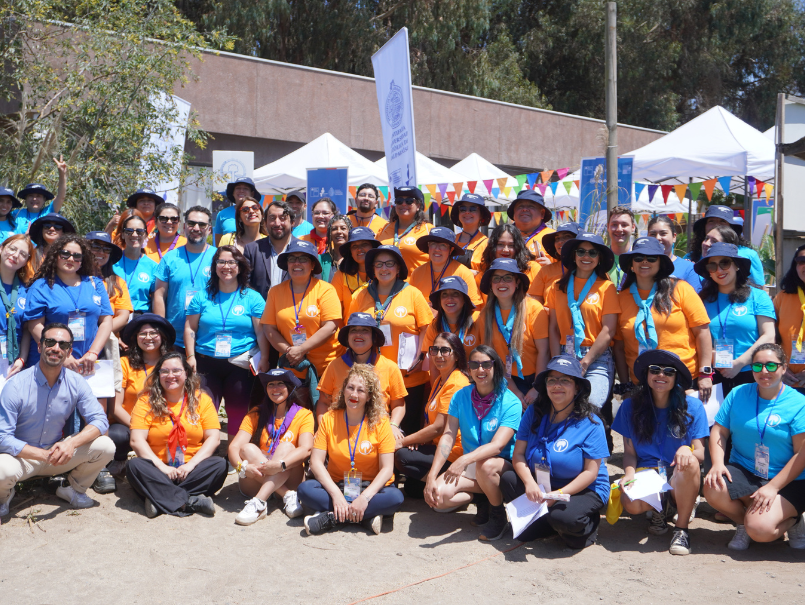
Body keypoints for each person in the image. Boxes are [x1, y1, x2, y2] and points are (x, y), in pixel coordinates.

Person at [0, 323, 115, 516]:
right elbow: (3, 438)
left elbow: (100, 420)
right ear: (40, 346)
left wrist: (71, 444)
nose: (56, 348)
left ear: (69, 351)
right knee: (1, 470)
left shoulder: (76, 381)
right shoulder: (16, 385)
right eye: (50, 342)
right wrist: (44, 455)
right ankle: (5, 496)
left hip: (59, 453)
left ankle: (73, 490)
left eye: (63, 345)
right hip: (22, 457)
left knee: (106, 446)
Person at [500, 354, 610, 549]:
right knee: (508, 479)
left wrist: (557, 495)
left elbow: (590, 473)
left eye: (565, 380)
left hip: (582, 488)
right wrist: (530, 484)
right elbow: (518, 455)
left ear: (577, 387)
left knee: (566, 521)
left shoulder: (591, 422)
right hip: (543, 486)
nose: (557, 385)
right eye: (552, 380)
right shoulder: (534, 412)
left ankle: (587, 522)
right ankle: (550, 521)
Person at [703, 343, 805, 551]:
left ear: (784, 368)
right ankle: (744, 523)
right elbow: (719, 431)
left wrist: (773, 487)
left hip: (789, 480)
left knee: (760, 530)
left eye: (771, 366)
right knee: (713, 486)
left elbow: (801, 454)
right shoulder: (739, 393)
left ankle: (793, 522)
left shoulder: (798, 403)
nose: (764, 371)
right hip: (747, 470)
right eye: (757, 366)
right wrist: (717, 464)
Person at [612, 350, 709, 555]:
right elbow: (629, 452)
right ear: (647, 375)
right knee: (630, 503)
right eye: (655, 370)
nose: (661, 375)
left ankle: (681, 529)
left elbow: (700, 452)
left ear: (676, 378)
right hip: (648, 472)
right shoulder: (631, 405)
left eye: (669, 372)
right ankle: (662, 508)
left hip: (678, 472)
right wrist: (629, 475)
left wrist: (687, 449)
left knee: (690, 461)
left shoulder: (693, 406)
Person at [424, 345, 522, 541]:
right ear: (468, 369)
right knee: (439, 499)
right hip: (472, 464)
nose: (480, 370)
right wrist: (432, 476)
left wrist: (462, 460)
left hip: (501, 466)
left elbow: (497, 446)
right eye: (475, 365)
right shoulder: (461, 396)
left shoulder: (511, 401)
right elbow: (449, 434)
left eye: (486, 364)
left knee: (486, 465)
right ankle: (483, 497)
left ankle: (498, 515)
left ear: (496, 368)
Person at [299, 364, 404, 535]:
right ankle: (364, 518)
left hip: (372, 488)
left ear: (369, 396)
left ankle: (333, 517)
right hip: (338, 485)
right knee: (305, 490)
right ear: (344, 390)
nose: (354, 394)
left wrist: (364, 498)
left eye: (361, 390)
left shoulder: (381, 422)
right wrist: (336, 495)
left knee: (396, 498)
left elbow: (387, 469)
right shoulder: (329, 418)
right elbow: (316, 462)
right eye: (350, 388)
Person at [127, 352, 226, 518]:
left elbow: (214, 438)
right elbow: (136, 440)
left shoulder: (201, 399)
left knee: (219, 465)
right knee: (135, 466)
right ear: (158, 375)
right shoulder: (146, 400)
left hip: (192, 469)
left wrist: (190, 465)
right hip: (157, 468)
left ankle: (158, 498)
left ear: (186, 373)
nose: (170, 375)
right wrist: (162, 467)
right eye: (164, 371)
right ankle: (190, 501)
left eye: (176, 371)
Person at [613, 237, 713, 401]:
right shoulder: (621, 298)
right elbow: (619, 346)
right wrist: (625, 385)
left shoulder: (681, 289)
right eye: (638, 258)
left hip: (683, 381)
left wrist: (705, 373)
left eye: (651, 258)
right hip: (642, 384)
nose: (644, 262)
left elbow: (702, 332)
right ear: (631, 264)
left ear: (661, 263)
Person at [348, 245, 432, 437]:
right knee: (370, 431)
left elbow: (427, 327)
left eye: (389, 264)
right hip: (370, 376)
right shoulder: (360, 295)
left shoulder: (412, 293)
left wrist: (421, 357)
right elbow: (351, 330)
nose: (384, 268)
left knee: (404, 433)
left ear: (398, 268)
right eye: (379, 264)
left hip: (408, 377)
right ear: (372, 268)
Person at [185, 245, 270, 434]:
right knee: (205, 412)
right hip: (206, 362)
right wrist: (190, 356)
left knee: (237, 413)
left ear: (240, 267)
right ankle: (207, 458)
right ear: (215, 266)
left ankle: (233, 460)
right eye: (221, 262)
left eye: (232, 262)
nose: (226, 266)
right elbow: (190, 327)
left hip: (240, 364)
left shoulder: (252, 298)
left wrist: (264, 357)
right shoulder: (201, 297)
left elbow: (261, 332)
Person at [228, 369, 314, 525]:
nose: (275, 389)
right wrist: (241, 468)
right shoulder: (256, 413)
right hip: (256, 477)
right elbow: (234, 447)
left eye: (280, 384)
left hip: (290, 476)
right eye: (271, 384)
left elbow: (306, 449)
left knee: (287, 447)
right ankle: (286, 494)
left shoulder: (304, 415)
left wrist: (280, 465)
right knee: (247, 448)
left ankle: (259, 503)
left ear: (291, 387)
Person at [545, 232, 619, 408]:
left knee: (591, 405)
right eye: (581, 252)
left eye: (592, 252)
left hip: (596, 358)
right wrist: (557, 361)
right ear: (574, 255)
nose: (586, 256)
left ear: (599, 258)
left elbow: (609, 330)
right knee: (563, 406)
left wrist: (585, 362)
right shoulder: (557, 287)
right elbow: (554, 328)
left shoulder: (606, 287)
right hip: (564, 353)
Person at [24, 234, 113, 379]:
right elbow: (34, 326)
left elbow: (106, 321)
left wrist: (93, 353)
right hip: (50, 364)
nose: (71, 259)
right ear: (55, 255)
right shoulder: (41, 286)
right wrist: (60, 355)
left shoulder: (95, 283)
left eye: (77, 256)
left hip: (87, 364)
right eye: (65, 254)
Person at [261, 239, 340, 401]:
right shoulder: (275, 292)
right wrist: (291, 352)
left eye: (303, 259)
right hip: (292, 367)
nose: (297, 263)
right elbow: (269, 328)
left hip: (326, 367)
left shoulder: (326, 290)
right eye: (292, 259)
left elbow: (331, 326)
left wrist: (301, 349)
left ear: (312, 265)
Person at [695, 242, 776, 396]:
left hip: (752, 373)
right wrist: (713, 357)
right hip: (714, 375)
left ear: (737, 265)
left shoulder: (758, 297)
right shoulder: (701, 300)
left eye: (724, 263)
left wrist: (739, 363)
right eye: (712, 266)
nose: (719, 270)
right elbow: (696, 337)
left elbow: (769, 336)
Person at [396, 332, 469, 498]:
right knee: (412, 488)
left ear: (456, 355)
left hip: (454, 452)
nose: (438, 355)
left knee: (401, 455)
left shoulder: (456, 383)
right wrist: (419, 440)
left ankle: (456, 488)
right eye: (434, 350)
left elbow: (439, 427)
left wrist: (403, 442)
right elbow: (430, 419)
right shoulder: (440, 379)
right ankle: (440, 486)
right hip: (437, 446)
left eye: (445, 350)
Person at [111, 314, 175, 479]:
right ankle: (119, 460)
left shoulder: (173, 365)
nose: (148, 338)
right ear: (135, 338)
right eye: (142, 334)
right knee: (116, 435)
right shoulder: (124, 363)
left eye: (153, 333)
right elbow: (116, 408)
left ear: (162, 336)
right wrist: (139, 428)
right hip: (129, 423)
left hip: (164, 422)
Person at [476, 258, 549, 401]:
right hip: (507, 379)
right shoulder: (486, 314)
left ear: (517, 282)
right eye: (496, 279)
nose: (501, 283)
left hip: (538, 377)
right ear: (491, 284)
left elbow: (544, 351)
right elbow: (493, 356)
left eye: (507, 278)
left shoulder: (533, 308)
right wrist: (513, 389)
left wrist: (537, 388)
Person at [317, 312, 407, 428]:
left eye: (365, 330)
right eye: (353, 330)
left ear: (374, 337)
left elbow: (398, 405)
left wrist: (393, 425)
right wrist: (323, 429)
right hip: (339, 432)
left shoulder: (390, 367)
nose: (358, 334)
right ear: (347, 337)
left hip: (378, 432)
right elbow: (324, 402)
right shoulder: (334, 366)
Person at [153, 206, 216, 352]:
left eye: (202, 225)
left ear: (209, 229)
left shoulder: (219, 257)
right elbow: (159, 295)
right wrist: (161, 329)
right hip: (175, 339)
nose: (196, 228)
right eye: (191, 223)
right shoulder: (170, 258)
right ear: (184, 227)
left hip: (208, 339)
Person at [689, 205, 765, 286]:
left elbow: (759, 287)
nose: (716, 225)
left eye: (723, 221)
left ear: (731, 228)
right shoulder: (691, 257)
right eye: (711, 221)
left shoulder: (749, 255)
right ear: (704, 226)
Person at [409, 226, 482, 307]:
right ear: (428, 247)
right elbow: (410, 304)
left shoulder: (464, 274)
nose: (437, 249)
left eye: (443, 245)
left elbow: (475, 308)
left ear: (451, 250)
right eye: (433, 244)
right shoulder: (417, 273)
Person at [242, 200, 300, 300]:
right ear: (265, 222)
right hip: (261, 312)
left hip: (295, 311)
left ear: (292, 222)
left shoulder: (304, 249)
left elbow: (314, 285)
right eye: (272, 218)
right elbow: (245, 284)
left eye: (282, 218)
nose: (277, 223)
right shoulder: (252, 249)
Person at [421, 276, 481, 361]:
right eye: (444, 294)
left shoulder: (478, 319)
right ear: (440, 300)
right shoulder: (434, 326)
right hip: (447, 374)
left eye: (455, 293)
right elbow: (433, 364)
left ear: (464, 299)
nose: (449, 298)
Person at [474, 224, 540, 298]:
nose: (505, 250)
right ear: (492, 247)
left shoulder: (533, 268)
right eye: (500, 244)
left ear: (518, 247)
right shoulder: (482, 275)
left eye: (511, 245)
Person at [376, 186, 433, 272]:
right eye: (399, 201)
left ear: (418, 206)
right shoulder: (384, 228)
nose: (403, 204)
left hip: (416, 284)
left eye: (409, 201)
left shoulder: (429, 230)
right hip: (387, 284)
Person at [0, 234, 34, 379]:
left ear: (26, 261)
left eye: (23, 254)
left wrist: (22, 359)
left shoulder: (27, 290)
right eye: (12, 249)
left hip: (13, 362)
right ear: (1, 248)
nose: (15, 255)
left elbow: (26, 329)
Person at [330, 227, 379, 320]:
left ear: (373, 247)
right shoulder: (341, 275)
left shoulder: (384, 273)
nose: (359, 249)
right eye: (354, 246)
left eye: (364, 244)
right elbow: (335, 313)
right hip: (350, 331)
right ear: (350, 252)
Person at [113, 213, 158, 312]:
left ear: (146, 235)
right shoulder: (112, 263)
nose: (134, 235)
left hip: (141, 320)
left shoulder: (153, 267)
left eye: (139, 231)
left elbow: (156, 301)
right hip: (115, 318)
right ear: (123, 235)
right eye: (129, 231)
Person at [774, 243, 805, 390]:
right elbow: (769, 337)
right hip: (786, 383)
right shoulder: (782, 298)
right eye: (801, 261)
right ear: (795, 266)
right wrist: (779, 367)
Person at [498, 189, 555, 266]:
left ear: (542, 213)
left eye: (531, 206)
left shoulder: (554, 237)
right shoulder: (501, 235)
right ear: (514, 212)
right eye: (520, 206)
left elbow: (565, 270)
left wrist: (551, 267)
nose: (524, 209)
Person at [528, 222, 580, 304]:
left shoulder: (591, 270)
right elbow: (534, 301)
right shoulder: (545, 271)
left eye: (567, 237)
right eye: (557, 239)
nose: (560, 242)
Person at [13, 156, 68, 229]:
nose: (34, 199)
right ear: (25, 198)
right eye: (30, 195)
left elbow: (61, 197)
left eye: (38, 196)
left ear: (44, 199)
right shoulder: (16, 214)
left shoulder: (49, 212)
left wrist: (62, 174)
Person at [648, 215, 700, 292]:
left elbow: (695, 300)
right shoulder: (640, 265)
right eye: (653, 234)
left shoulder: (688, 268)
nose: (658, 238)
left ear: (674, 237)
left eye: (663, 233)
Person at [214, 177, 260, 246]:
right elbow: (219, 245)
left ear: (252, 194)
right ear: (233, 193)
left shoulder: (257, 213)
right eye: (238, 188)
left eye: (245, 188)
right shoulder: (222, 214)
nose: (241, 191)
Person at [451, 193, 490, 269]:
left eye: (473, 209)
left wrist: (472, 274)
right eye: (463, 209)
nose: (467, 212)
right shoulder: (451, 239)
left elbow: (489, 275)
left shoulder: (486, 244)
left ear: (481, 215)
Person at [607, 206, 637, 288]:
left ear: (633, 227)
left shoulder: (639, 258)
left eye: (624, 225)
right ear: (608, 227)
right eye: (614, 224)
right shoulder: (600, 257)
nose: (619, 229)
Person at [317, 214, 350, 283]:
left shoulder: (355, 260)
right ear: (330, 234)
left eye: (343, 228)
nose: (339, 231)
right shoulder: (321, 260)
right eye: (334, 229)